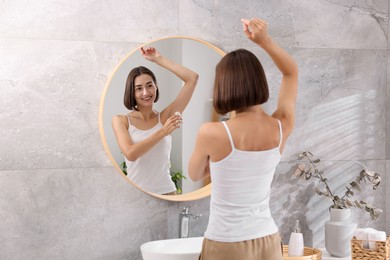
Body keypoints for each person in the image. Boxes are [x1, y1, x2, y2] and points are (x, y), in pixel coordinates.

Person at [188, 18, 298, 259]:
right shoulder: (281, 126)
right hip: (268, 241)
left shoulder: (212, 132)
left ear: (222, 87)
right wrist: (265, 41)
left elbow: (195, 175)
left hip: (226, 243)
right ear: (259, 80)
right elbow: (291, 72)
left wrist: (221, 161)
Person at [113, 46, 198, 195]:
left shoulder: (165, 117)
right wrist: (163, 132)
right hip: (136, 195)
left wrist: (159, 59)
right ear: (131, 92)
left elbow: (192, 78)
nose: (145, 92)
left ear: (156, 87)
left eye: (149, 85)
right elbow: (131, 153)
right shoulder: (121, 121)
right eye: (138, 88)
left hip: (168, 193)